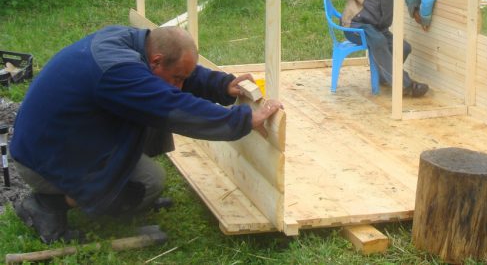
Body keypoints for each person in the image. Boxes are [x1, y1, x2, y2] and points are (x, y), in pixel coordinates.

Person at [10, 25, 283, 244]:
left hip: (59, 139)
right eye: (176, 78)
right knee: (146, 185)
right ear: (155, 61)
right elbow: (173, 107)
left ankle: (84, 188)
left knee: (148, 167)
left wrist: (222, 85)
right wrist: (243, 119)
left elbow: (180, 73)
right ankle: (48, 204)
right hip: (42, 160)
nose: (179, 86)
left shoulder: (133, 41)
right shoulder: (119, 72)